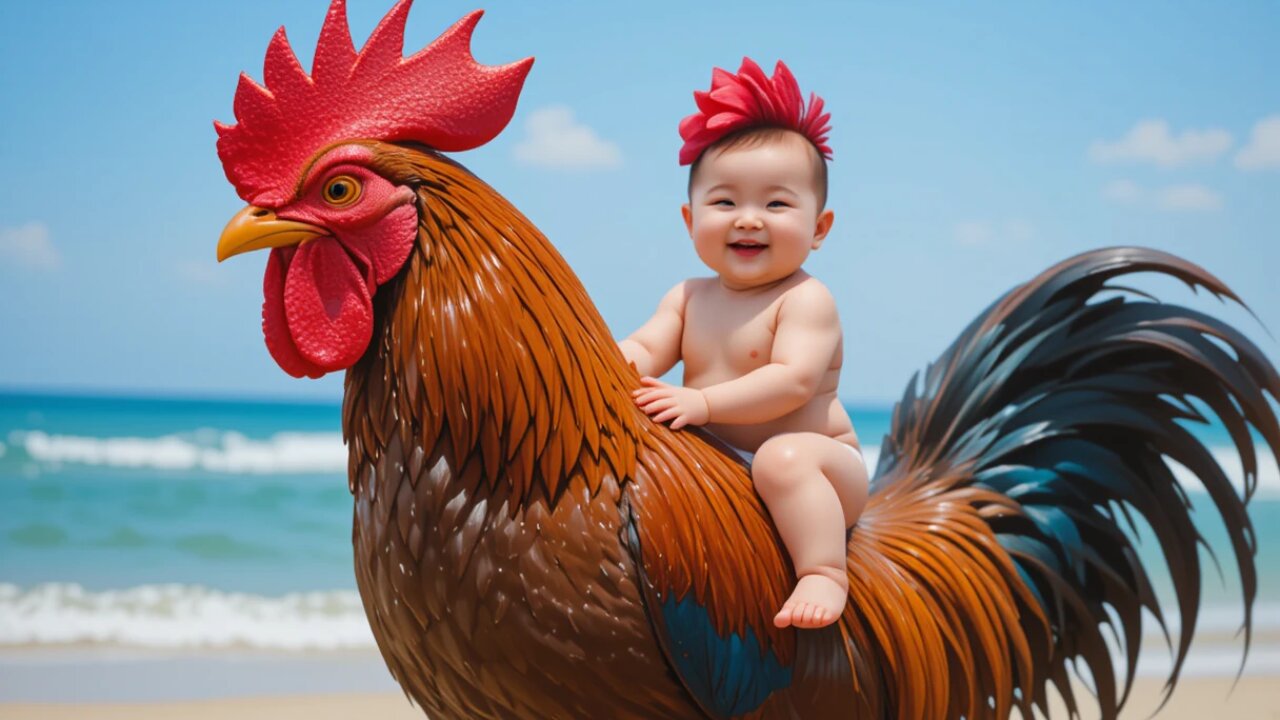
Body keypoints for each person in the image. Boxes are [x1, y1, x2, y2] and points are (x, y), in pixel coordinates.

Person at [617, 58, 869, 630]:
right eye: (725, 202)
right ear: (689, 219)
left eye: (777, 204)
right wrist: (598, 363)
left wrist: (702, 404)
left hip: (822, 471)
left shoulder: (806, 300)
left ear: (819, 228)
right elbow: (642, 350)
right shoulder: (687, 296)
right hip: (724, 468)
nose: (749, 219)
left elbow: (793, 382)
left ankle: (824, 572)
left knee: (782, 459)